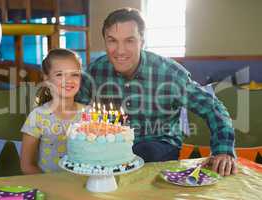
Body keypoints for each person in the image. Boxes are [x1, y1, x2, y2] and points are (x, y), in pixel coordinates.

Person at [75, 7, 237, 176]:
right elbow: (75, 109)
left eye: (129, 40)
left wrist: (223, 150)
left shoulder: (170, 73)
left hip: (158, 146)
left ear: (142, 41)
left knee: (145, 151)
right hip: (107, 149)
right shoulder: (95, 70)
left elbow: (213, 108)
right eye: (112, 40)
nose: (120, 50)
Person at [20, 48, 85, 174]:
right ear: (46, 79)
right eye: (60, 74)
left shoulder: (89, 114)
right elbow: (26, 166)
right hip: (49, 187)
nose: (69, 80)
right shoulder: (38, 116)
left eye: (74, 74)